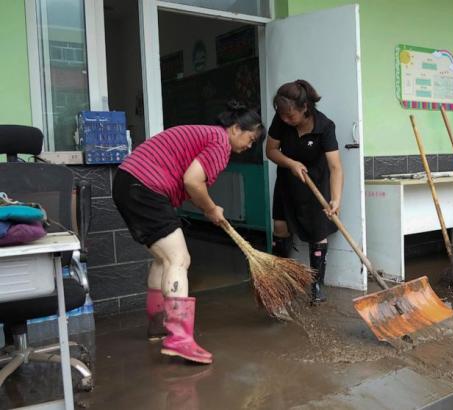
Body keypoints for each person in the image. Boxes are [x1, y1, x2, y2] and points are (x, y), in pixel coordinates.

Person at [112, 101, 264, 364]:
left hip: (130, 183)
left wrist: (209, 208)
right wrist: (210, 208)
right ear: (236, 129)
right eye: (250, 139)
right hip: (145, 187)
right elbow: (193, 181)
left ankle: (158, 326)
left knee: (164, 258)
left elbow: (192, 184)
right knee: (179, 259)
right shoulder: (220, 143)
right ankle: (179, 339)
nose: (248, 147)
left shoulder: (207, 136)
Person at [265, 79, 343, 303]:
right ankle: (281, 280)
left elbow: (336, 167)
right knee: (280, 227)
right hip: (287, 182)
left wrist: (336, 199)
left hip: (315, 184)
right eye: (282, 115)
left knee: (318, 233)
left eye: (290, 116)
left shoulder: (325, 127)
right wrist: (290, 163)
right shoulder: (282, 120)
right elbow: (270, 151)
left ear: (305, 108)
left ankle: (317, 286)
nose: (285, 120)